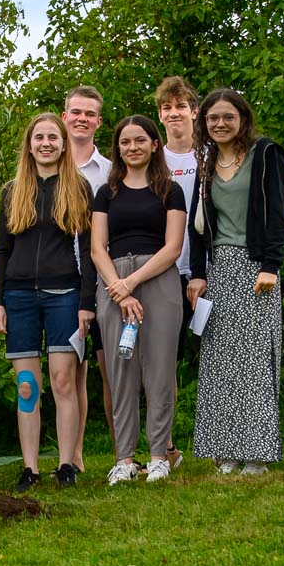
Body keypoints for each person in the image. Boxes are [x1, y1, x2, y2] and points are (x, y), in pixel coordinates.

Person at [185, 89, 284, 474]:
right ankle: (226, 451)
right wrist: (197, 275)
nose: (220, 124)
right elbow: (196, 229)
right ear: (204, 124)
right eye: (212, 119)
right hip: (219, 269)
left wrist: (271, 265)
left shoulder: (266, 154)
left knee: (256, 359)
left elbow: (278, 215)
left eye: (227, 117)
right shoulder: (207, 164)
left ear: (242, 118)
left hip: (257, 267)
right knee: (220, 361)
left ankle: (257, 454)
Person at [0, 113, 96, 491]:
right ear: (29, 144)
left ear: (64, 144)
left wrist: (87, 302)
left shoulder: (79, 188)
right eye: (39, 137)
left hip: (64, 295)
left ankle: (66, 463)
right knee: (26, 385)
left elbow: (88, 250)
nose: (46, 143)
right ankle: (31, 467)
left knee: (63, 380)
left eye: (53, 136)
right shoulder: (12, 190)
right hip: (17, 297)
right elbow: (2, 251)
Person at [90, 115, 187, 485]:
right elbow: (97, 247)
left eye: (140, 141)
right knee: (120, 372)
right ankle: (125, 458)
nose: (132, 148)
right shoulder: (106, 192)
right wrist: (117, 286)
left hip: (158, 280)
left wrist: (131, 282)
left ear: (154, 144)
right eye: (125, 142)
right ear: (117, 148)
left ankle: (160, 455)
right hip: (112, 283)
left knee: (159, 370)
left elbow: (173, 247)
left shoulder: (169, 190)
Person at [64, 85, 113, 470]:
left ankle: (121, 452)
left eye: (89, 113)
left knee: (113, 368)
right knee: (73, 371)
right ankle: (75, 455)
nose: (81, 118)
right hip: (65, 283)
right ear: (65, 116)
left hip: (106, 280)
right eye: (75, 112)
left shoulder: (111, 172)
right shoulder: (47, 163)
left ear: (98, 121)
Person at [155, 75, 201, 468]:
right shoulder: (154, 161)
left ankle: (224, 438)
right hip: (164, 274)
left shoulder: (209, 156)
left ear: (194, 112)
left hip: (206, 273)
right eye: (166, 108)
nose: (174, 114)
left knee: (219, 356)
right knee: (163, 362)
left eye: (180, 107)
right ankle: (166, 447)